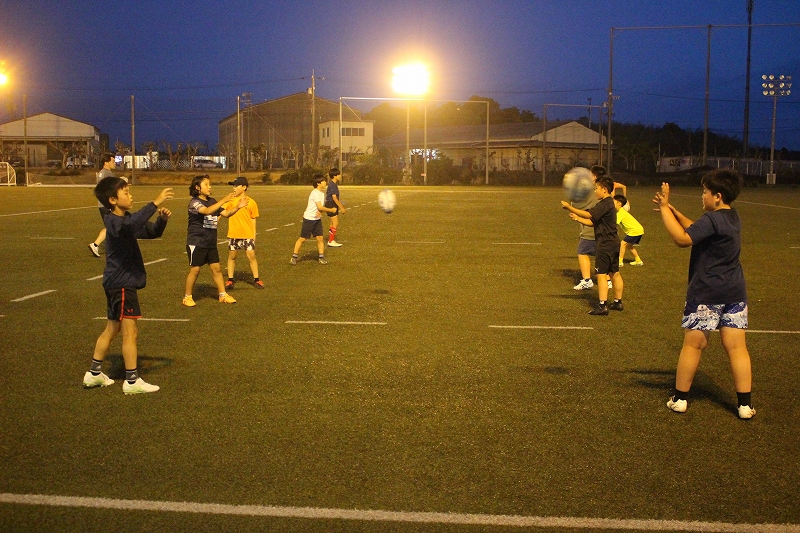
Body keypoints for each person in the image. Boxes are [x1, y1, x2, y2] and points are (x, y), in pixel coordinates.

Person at [654, 170, 755, 419]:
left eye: (705, 192)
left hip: (706, 293)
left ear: (717, 196)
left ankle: (680, 399)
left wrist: (665, 209)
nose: (703, 196)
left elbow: (683, 239)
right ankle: (744, 406)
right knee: (737, 348)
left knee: (694, 345)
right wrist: (676, 212)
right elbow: (697, 228)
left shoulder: (712, 219)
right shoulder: (732, 217)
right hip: (734, 292)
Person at [83, 177, 173, 394]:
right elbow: (131, 226)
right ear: (112, 200)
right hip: (122, 284)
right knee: (130, 333)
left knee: (112, 328)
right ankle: (132, 381)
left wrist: (161, 220)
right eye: (125, 192)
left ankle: (94, 374)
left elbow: (151, 232)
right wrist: (155, 203)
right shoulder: (114, 221)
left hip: (117, 283)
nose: (130, 196)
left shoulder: (125, 220)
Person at [561, 176, 624, 315]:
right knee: (615, 273)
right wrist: (578, 219)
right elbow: (593, 222)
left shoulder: (604, 203)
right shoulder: (608, 203)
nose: (595, 191)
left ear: (604, 189)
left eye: (596, 188)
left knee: (601, 274)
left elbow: (589, 214)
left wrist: (570, 207)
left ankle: (602, 306)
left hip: (605, 244)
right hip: (613, 242)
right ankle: (618, 302)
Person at [183, 175, 248, 307]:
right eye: (206, 184)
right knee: (195, 270)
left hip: (210, 242)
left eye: (210, 184)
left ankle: (222, 295)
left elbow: (226, 214)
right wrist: (224, 200)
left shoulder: (212, 201)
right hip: (197, 242)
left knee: (217, 269)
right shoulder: (194, 202)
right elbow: (207, 211)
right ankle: (187, 297)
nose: (209, 187)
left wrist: (238, 207)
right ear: (198, 188)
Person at [223, 177, 263, 290]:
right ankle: (230, 280)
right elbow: (221, 211)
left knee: (251, 256)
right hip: (233, 234)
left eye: (236, 186)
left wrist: (253, 234)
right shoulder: (231, 201)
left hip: (247, 234)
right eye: (233, 186)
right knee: (232, 256)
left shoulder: (251, 202)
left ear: (244, 187)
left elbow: (253, 219)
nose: (234, 188)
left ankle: (257, 280)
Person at [291, 174, 337, 265]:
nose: (325, 182)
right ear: (318, 183)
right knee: (303, 239)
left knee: (320, 238)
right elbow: (320, 206)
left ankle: (321, 257)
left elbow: (320, 207)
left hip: (317, 219)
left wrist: (320, 212)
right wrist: (331, 210)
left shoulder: (321, 193)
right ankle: (294, 257)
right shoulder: (315, 193)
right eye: (323, 181)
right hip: (309, 219)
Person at [88, 153, 119, 257]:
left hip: (103, 204)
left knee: (113, 226)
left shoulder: (102, 173)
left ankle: (112, 247)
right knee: (112, 226)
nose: (115, 163)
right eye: (113, 161)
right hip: (107, 205)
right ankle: (95, 244)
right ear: (106, 163)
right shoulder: (107, 174)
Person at [614, 194, 644, 266]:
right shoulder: (621, 212)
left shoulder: (621, 213)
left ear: (619, 203)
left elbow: (614, 223)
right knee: (629, 246)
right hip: (639, 230)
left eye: (613, 201)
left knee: (622, 244)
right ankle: (638, 261)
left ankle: (620, 262)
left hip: (635, 231)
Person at [325, 167, 346, 247]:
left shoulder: (332, 184)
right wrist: (341, 207)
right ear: (334, 176)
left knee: (332, 223)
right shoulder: (333, 185)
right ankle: (331, 241)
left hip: (330, 203)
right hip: (331, 204)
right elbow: (334, 197)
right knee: (335, 223)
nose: (340, 176)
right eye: (338, 174)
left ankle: (331, 240)